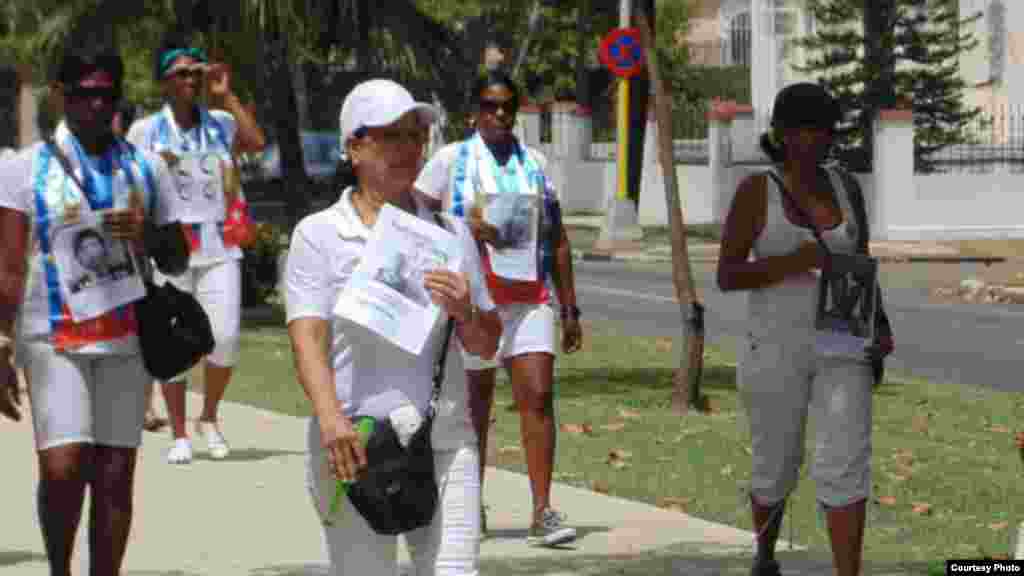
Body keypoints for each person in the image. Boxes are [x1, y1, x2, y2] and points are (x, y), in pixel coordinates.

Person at [287, 78, 502, 575]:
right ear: (354, 147)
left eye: (415, 136)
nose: (408, 149)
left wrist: (467, 312)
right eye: (391, 136)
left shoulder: (451, 234)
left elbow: (487, 344)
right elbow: (308, 339)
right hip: (354, 444)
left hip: (443, 441)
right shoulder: (319, 235)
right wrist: (331, 420)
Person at [0, 27, 177, 575]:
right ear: (61, 95)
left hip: (126, 341)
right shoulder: (23, 169)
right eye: (85, 93)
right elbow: (8, 265)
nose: (97, 104)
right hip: (52, 337)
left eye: (107, 93)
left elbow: (177, 257)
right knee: (62, 468)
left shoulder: (147, 167)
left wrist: (146, 233)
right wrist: (1, 341)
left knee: (115, 475)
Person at [716, 82, 894, 576]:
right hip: (775, 343)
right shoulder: (758, 192)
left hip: (843, 337)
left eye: (824, 129)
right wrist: (791, 262)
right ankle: (766, 554)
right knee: (776, 464)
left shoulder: (846, 187)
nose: (816, 139)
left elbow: (862, 261)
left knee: (846, 460)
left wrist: (879, 324)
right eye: (804, 129)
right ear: (783, 133)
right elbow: (727, 275)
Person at [415, 70, 583, 546]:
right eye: (490, 106)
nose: (500, 114)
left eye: (508, 106)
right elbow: (415, 215)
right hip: (475, 305)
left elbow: (558, 237)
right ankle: (471, 505)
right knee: (475, 407)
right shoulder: (450, 160)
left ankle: (542, 511)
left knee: (539, 397)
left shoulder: (535, 163)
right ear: (475, 111)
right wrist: (459, 225)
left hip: (530, 299)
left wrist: (571, 308)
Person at [127, 31, 266, 464]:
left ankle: (210, 416)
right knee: (174, 338)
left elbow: (255, 143)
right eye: (180, 73)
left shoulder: (219, 123)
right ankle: (181, 433)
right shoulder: (146, 130)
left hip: (217, 241)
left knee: (223, 338)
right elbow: (130, 183)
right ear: (165, 81)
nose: (190, 79)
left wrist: (227, 96)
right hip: (169, 245)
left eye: (195, 72)